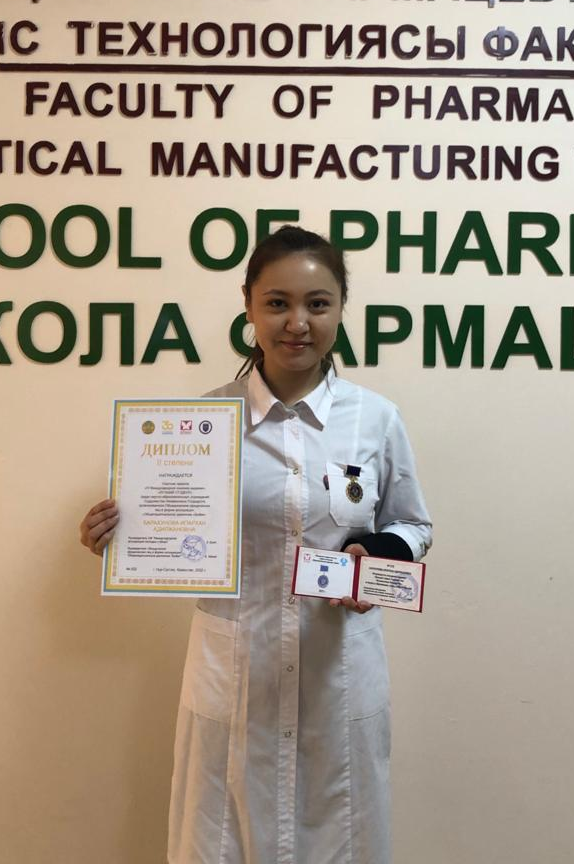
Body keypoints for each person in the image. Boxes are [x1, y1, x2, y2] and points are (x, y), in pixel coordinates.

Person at [80, 225, 432, 864]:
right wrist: (119, 534)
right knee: (222, 839)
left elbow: (414, 525)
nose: (297, 323)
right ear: (248, 305)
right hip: (236, 674)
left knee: (340, 838)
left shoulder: (374, 419)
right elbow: (169, 526)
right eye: (277, 303)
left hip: (337, 674)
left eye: (317, 304)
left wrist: (380, 554)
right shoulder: (202, 426)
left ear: (341, 308)